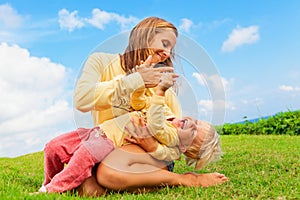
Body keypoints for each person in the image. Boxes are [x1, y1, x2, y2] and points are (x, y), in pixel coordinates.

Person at [37, 72, 222, 194]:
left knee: (106, 174)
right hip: (103, 133)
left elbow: (163, 152)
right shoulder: (164, 111)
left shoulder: (169, 146)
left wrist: (148, 144)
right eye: (196, 122)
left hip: (117, 143)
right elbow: (141, 102)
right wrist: (140, 83)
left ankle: (186, 180)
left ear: (183, 147)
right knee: (57, 151)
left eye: (194, 132)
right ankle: (52, 182)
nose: (191, 124)